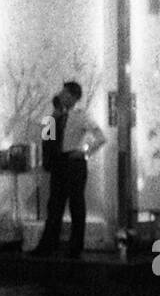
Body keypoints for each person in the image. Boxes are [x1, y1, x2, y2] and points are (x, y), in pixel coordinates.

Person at [30, 81, 106, 260]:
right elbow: (46, 137)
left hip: (74, 162)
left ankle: (75, 247)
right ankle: (48, 244)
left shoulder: (81, 116)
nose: (61, 95)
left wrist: (85, 151)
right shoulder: (55, 115)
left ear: (73, 96)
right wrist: (52, 118)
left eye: (64, 93)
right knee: (54, 205)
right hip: (59, 163)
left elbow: (101, 137)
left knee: (76, 205)